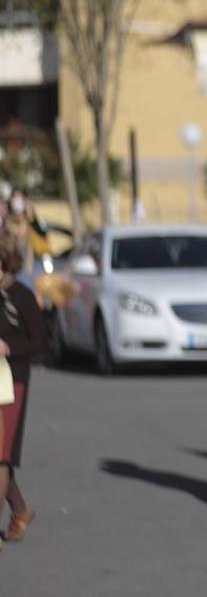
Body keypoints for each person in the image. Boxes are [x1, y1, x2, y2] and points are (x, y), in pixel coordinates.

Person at [0, 225, 45, 548]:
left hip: (12, 380)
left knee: (1, 458)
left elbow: (40, 342)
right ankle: (20, 509)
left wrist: (9, 349)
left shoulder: (21, 296)